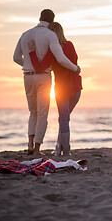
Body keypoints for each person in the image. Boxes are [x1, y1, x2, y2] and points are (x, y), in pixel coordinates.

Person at [13, 9, 80, 155]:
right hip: (49, 78)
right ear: (52, 20)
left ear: (39, 18)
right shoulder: (51, 36)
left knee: (33, 112)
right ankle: (40, 149)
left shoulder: (25, 34)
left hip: (28, 75)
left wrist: (28, 64)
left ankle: (30, 144)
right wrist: (75, 68)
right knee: (46, 114)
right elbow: (61, 58)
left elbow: (16, 57)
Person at [28, 22, 82, 156]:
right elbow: (74, 62)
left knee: (63, 119)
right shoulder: (70, 44)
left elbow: (39, 68)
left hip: (62, 89)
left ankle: (66, 151)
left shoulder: (52, 51)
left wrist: (32, 52)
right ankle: (59, 147)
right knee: (64, 118)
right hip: (76, 87)